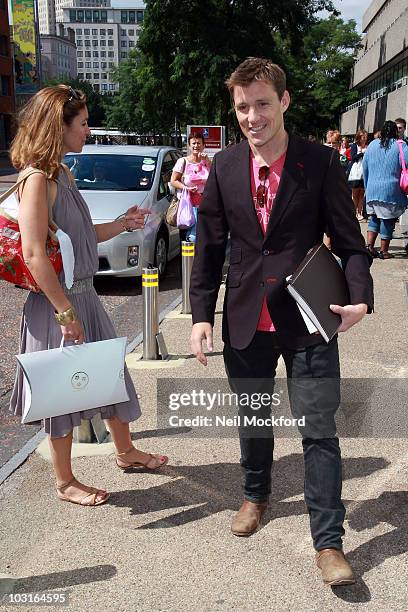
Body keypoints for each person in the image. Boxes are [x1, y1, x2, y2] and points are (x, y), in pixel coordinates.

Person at [189, 57, 373, 586]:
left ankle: (329, 542)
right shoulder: (223, 167)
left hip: (308, 320)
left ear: (284, 102)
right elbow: (209, 248)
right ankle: (255, 494)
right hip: (246, 318)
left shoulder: (319, 164)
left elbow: (351, 242)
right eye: (243, 107)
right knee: (252, 418)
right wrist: (202, 313)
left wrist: (359, 297)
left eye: (263, 103)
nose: (253, 116)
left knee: (318, 429)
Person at [9, 85, 168, 507]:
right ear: (56, 126)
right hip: (58, 305)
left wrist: (122, 223)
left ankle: (126, 453)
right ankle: (65, 482)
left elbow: (81, 238)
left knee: (111, 378)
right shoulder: (37, 179)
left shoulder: (62, 172)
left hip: (83, 297)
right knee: (61, 392)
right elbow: (33, 253)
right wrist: (65, 313)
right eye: (81, 123)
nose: (88, 128)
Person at [363, 120, 408, 259]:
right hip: (390, 190)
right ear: (395, 131)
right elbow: (405, 163)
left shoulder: (372, 144)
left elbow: (365, 167)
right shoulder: (401, 145)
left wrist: (367, 186)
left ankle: (369, 246)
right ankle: (384, 251)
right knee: (388, 220)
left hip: (372, 188)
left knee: (375, 218)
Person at [170, 132, 211, 242]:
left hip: (204, 206)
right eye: (193, 143)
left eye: (199, 143)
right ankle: (188, 258)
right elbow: (173, 181)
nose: (196, 146)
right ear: (189, 145)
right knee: (189, 238)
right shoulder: (183, 161)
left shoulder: (207, 162)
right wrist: (186, 188)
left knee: (203, 237)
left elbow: (215, 179)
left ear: (203, 145)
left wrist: (207, 161)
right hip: (187, 205)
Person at [348, 129, 368, 221]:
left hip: (364, 172)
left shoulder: (368, 146)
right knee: (355, 194)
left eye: (365, 136)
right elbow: (353, 158)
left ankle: (360, 212)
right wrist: (362, 154)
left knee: (361, 194)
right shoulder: (354, 146)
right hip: (355, 172)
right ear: (359, 137)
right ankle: (353, 212)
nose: (365, 138)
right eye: (363, 136)